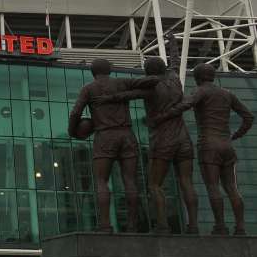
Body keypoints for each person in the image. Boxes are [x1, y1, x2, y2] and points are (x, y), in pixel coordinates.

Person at [95, 35, 199, 233]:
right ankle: (193, 226)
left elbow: (128, 95)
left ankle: (162, 226)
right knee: (186, 181)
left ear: (148, 72)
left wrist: (108, 98)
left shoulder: (151, 87)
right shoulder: (175, 79)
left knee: (155, 184)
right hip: (184, 139)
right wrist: (173, 44)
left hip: (163, 140)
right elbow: (175, 62)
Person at [152, 63, 253, 235]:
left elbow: (186, 105)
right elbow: (248, 117)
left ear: (197, 78)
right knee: (231, 187)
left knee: (213, 187)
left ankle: (220, 226)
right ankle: (240, 227)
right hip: (227, 145)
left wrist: (164, 115)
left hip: (208, 145)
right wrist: (236, 135)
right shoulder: (227, 93)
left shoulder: (200, 91)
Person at [68, 59, 159, 232]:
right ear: (110, 70)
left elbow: (75, 112)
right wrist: (126, 94)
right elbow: (153, 81)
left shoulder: (89, 88)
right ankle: (133, 225)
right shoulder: (122, 82)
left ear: (93, 73)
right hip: (126, 135)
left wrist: (72, 132)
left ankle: (105, 225)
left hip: (105, 136)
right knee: (130, 181)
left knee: (101, 180)